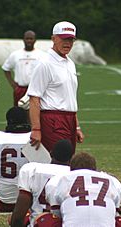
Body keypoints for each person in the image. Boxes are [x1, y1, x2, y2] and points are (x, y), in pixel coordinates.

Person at [27, 21, 84, 154]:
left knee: (67, 161)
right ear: (53, 39)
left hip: (69, 119)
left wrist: (76, 126)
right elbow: (34, 98)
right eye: (63, 39)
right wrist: (36, 129)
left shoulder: (70, 63)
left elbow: (69, 96)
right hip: (52, 120)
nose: (67, 43)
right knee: (57, 162)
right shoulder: (44, 63)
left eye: (70, 39)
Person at [45, 152, 121, 227]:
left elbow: (57, 213)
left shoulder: (63, 179)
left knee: (44, 219)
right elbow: (115, 212)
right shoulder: (111, 180)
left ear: (71, 169)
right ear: (95, 169)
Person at [10, 139, 73, 227]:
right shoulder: (74, 175)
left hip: (38, 223)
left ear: (51, 153)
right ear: (71, 158)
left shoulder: (32, 169)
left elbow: (18, 217)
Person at [2, 30, 46, 106]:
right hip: (20, 89)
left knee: (35, 112)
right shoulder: (15, 54)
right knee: (19, 114)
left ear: (35, 40)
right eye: (27, 38)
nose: (29, 41)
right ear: (23, 40)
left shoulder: (42, 55)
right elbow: (6, 68)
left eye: (31, 39)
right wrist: (13, 84)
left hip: (35, 89)